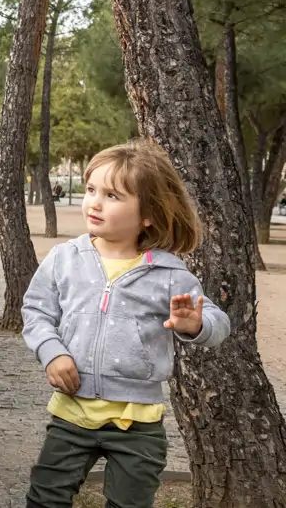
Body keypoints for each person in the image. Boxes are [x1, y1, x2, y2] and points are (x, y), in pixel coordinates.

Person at [21, 140, 231, 508]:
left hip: (138, 424)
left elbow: (218, 323)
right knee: (45, 498)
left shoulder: (168, 273)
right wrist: (52, 353)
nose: (95, 203)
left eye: (112, 195)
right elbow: (36, 311)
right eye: (91, 190)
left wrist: (195, 325)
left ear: (148, 213)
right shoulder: (64, 258)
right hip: (71, 414)